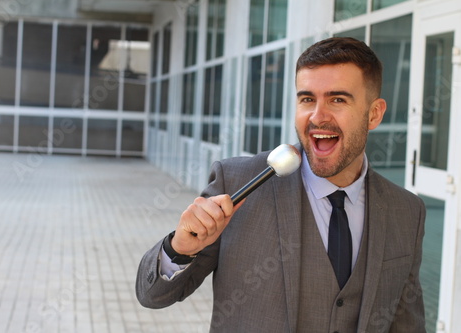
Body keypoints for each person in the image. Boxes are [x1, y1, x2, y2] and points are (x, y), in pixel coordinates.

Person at [136, 37, 426, 332]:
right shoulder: (239, 182)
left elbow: (407, 322)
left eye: (338, 99)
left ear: (374, 113)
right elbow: (154, 296)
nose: (318, 116)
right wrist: (180, 248)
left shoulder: (407, 212)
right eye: (307, 99)